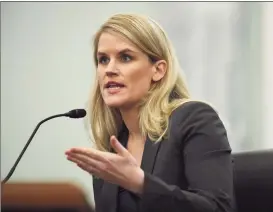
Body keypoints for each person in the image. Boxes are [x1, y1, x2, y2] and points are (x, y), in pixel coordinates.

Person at [65, 13, 235, 212]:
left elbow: (218, 208)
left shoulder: (195, 119)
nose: (109, 69)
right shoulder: (111, 146)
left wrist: (140, 183)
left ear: (158, 70)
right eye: (103, 60)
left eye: (125, 57)